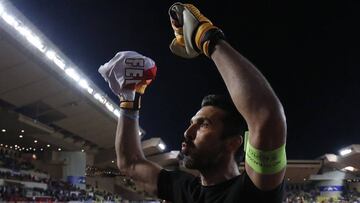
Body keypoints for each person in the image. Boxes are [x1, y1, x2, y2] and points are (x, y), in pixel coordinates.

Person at [98, 2, 287, 203]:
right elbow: (130, 163)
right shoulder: (185, 190)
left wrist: (207, 38)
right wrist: (129, 98)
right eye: (192, 123)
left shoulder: (253, 192)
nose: (188, 133)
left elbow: (266, 116)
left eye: (204, 125)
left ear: (232, 143)